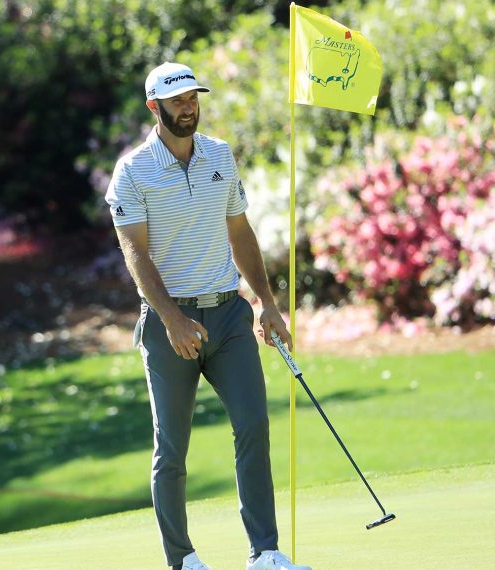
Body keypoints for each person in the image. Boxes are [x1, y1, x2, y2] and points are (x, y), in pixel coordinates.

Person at [105, 62, 312, 570]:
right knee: (172, 449)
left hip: (227, 316)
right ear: (155, 107)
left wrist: (265, 302)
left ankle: (265, 553)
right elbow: (136, 254)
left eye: (193, 97)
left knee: (254, 424)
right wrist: (171, 318)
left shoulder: (220, 155)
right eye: (177, 101)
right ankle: (182, 560)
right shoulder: (132, 171)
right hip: (169, 325)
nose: (188, 106)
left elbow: (240, 233)